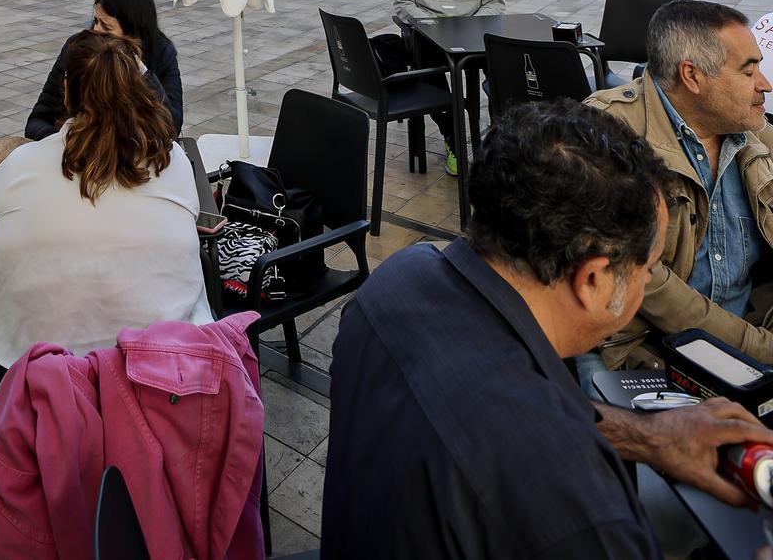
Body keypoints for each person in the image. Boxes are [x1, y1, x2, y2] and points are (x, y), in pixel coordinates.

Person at [321, 99, 773, 559]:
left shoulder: (396, 282)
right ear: (594, 280)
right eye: (650, 268)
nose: (647, 283)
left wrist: (645, 435)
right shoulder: (582, 511)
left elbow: (515, 414)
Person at [0, 29, 210, 402]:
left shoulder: (22, 164)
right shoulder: (173, 161)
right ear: (138, 89)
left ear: (67, 93)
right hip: (159, 384)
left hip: (27, 384)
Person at [587, 0, 773, 369]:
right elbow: (644, 279)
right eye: (748, 71)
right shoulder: (606, 136)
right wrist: (760, 349)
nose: (765, 85)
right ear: (692, 76)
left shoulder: (753, 134)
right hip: (647, 354)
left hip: (751, 336)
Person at [379, 0, 505, 175]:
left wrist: (469, 26)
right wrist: (431, 25)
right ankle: (454, 140)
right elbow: (402, 2)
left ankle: (500, 140)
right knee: (428, 66)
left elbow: (496, 3)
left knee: (505, 67)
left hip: (472, 30)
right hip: (429, 31)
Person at [26, 0, 183, 139]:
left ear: (133, 33)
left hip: (131, 154)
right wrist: (63, 145)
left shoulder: (161, 54)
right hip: (74, 151)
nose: (96, 30)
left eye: (106, 27)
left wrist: (144, 74)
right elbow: (38, 120)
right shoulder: (78, 51)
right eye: (96, 21)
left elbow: (172, 127)